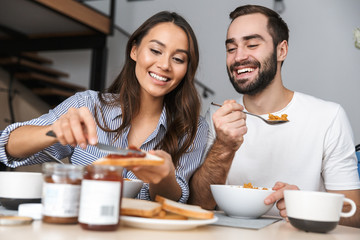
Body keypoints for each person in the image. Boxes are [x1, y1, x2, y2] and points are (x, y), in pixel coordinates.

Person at [0, 11, 208, 203]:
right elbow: (7, 146)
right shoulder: (88, 105)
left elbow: (176, 201)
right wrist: (53, 131)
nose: (164, 65)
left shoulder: (193, 128)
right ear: (134, 51)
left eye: (178, 59)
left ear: (187, 69)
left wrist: (163, 177)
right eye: (155, 50)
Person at [189, 5, 360, 227]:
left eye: (252, 45)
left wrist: (306, 206)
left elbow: (354, 213)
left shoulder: (328, 117)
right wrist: (223, 146)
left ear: (282, 50)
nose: (239, 57)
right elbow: (196, 206)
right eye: (231, 48)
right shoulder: (218, 116)